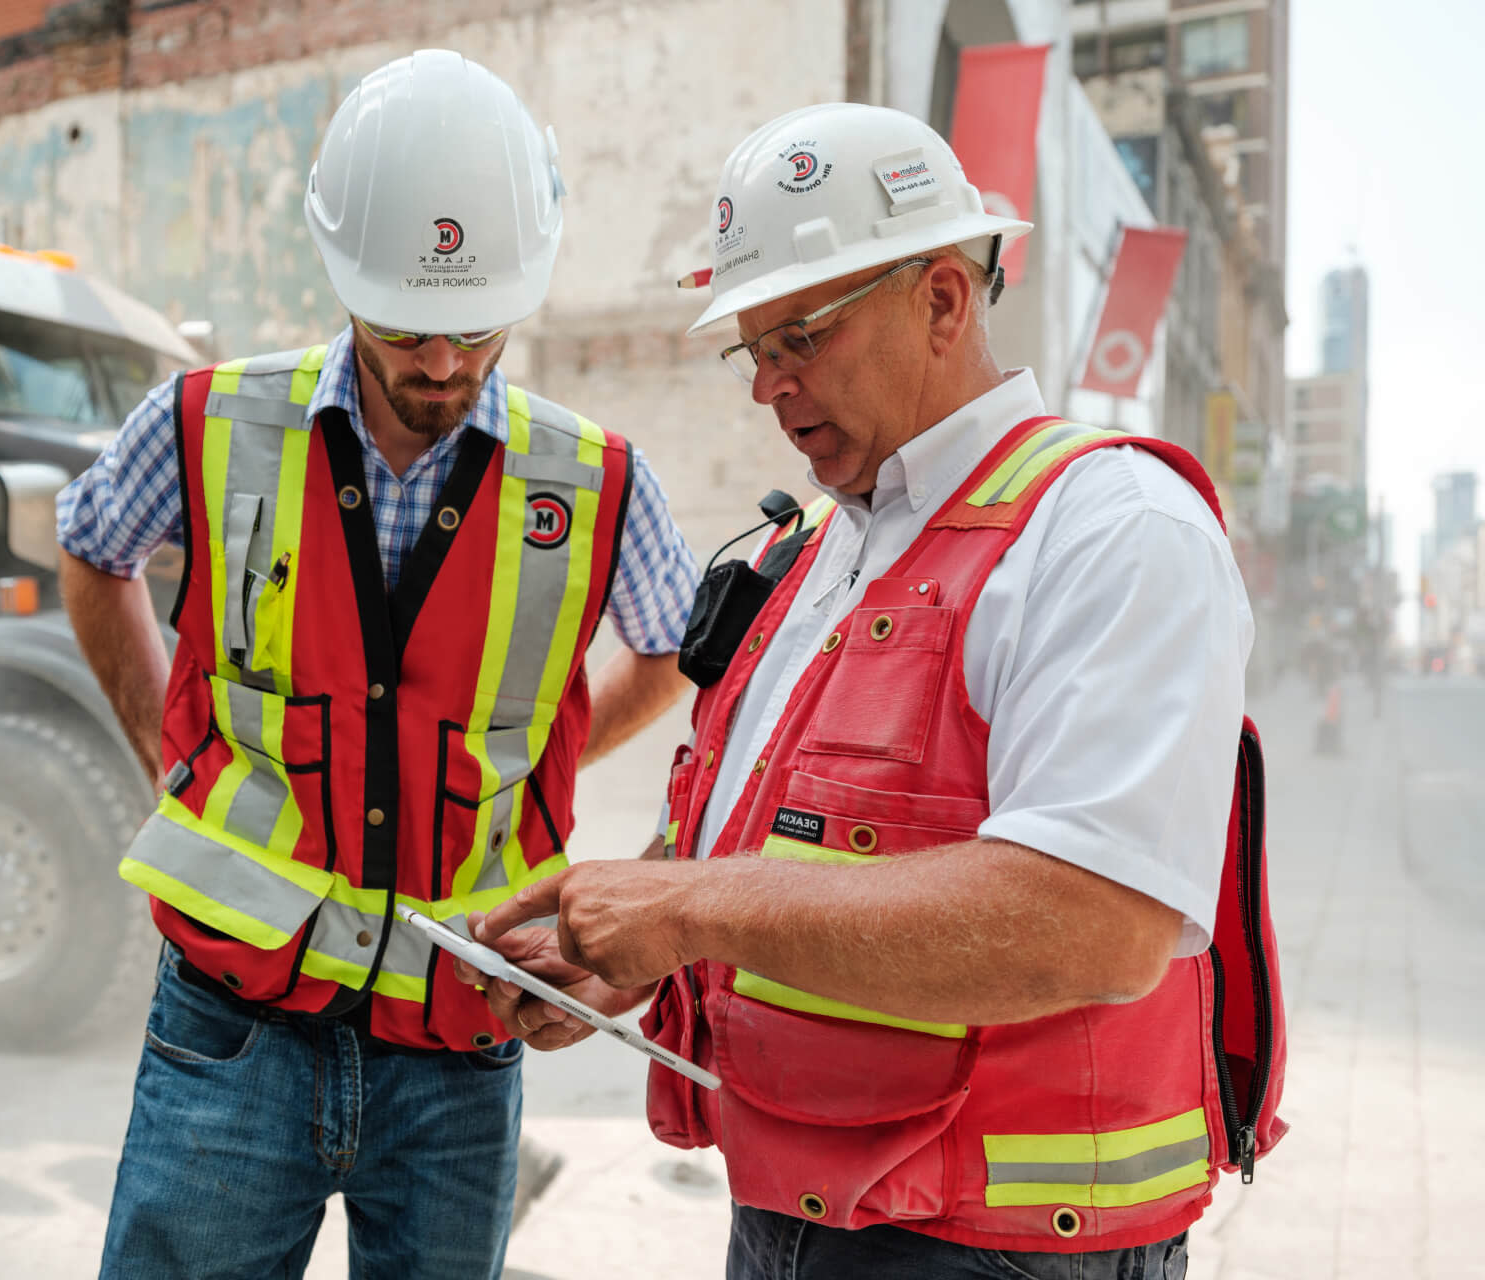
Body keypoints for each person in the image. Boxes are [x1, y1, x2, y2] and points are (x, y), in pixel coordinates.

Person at [469, 103, 1285, 1278]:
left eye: (800, 337)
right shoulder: (812, 547)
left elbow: (1095, 919)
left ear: (945, 300)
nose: (769, 387)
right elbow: (762, 830)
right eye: (753, 349)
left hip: (1001, 1249)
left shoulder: (1112, 529)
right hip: (798, 1208)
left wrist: (687, 907)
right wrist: (628, 945)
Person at [54, 50, 700, 1280]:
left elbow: (677, 650)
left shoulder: (594, 479)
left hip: (461, 1040)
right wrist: (159, 736)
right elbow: (93, 548)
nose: (445, 365)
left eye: (476, 329)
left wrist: (555, 747)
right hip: (230, 1024)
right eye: (408, 330)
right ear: (343, 273)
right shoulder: (210, 421)